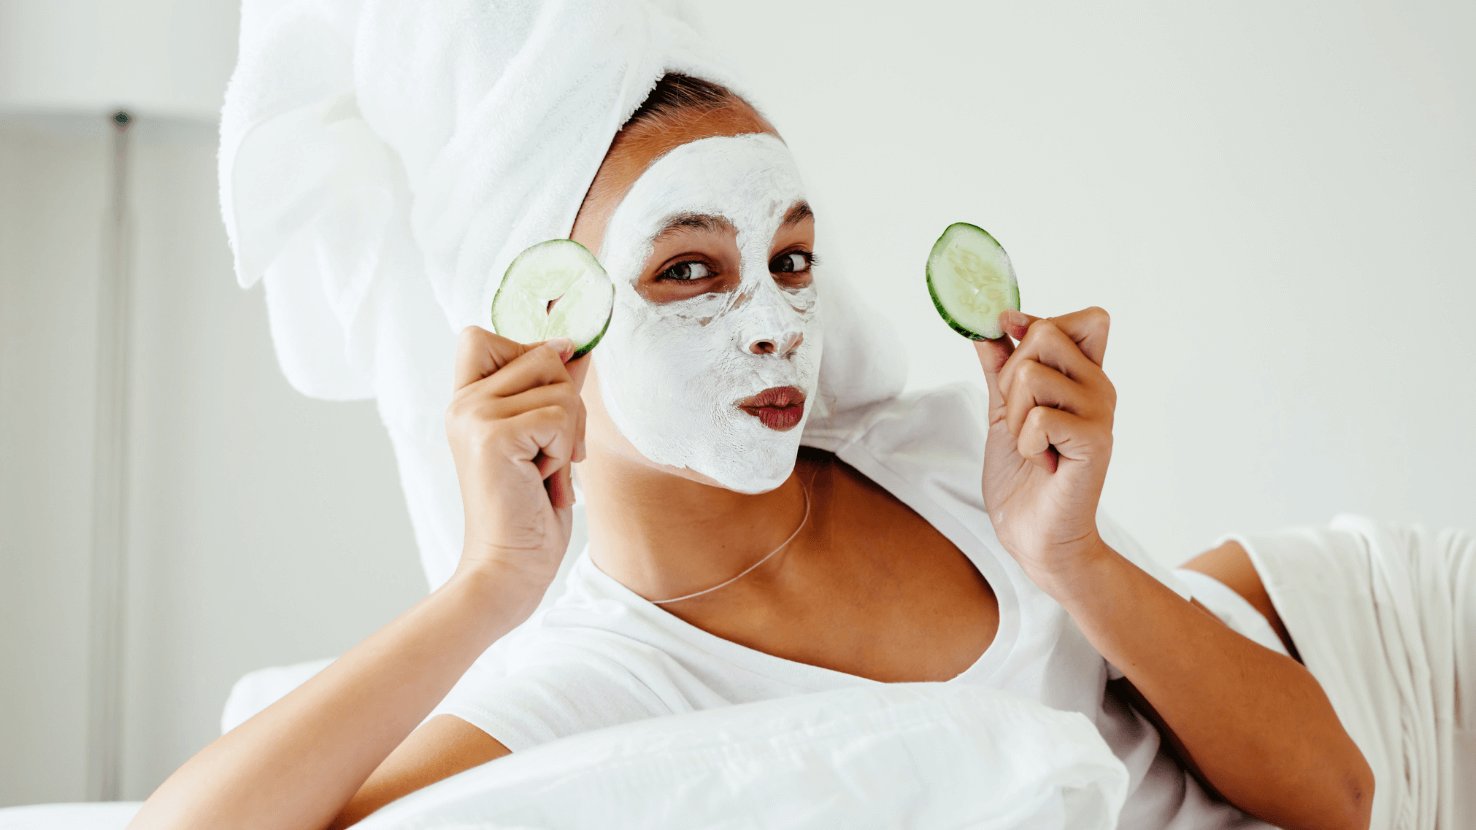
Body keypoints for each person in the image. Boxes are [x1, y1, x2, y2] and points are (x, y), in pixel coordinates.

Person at [129, 70, 1382, 830]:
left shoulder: (941, 457)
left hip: (1373, 622)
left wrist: (1068, 554)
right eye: (690, 270)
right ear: (551, 333)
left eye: (790, 259)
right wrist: (483, 590)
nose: (777, 320)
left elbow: (1338, 791)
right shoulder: (596, 679)